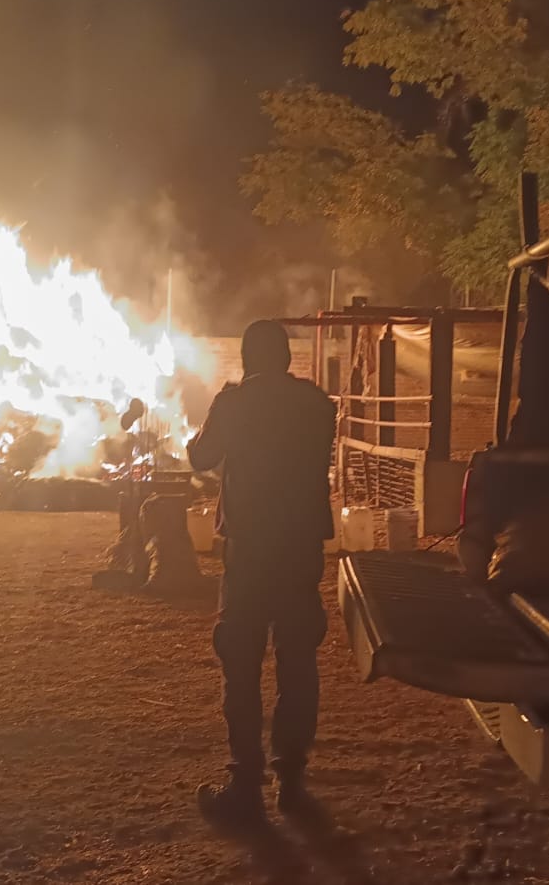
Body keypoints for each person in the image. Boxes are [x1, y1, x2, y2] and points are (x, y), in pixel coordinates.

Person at [187, 319, 336, 826]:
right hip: (299, 549)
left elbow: (201, 456)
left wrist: (216, 411)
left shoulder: (234, 403)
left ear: (248, 359)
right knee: (298, 661)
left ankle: (246, 784)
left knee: (241, 659)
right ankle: (291, 780)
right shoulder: (317, 404)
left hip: (250, 551)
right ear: (287, 358)